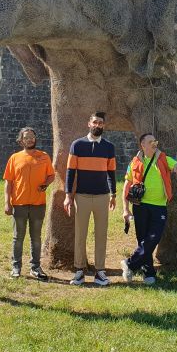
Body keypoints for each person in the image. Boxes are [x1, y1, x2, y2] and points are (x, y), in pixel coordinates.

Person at [121, 133, 177, 285]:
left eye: (155, 141)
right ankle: (148, 272)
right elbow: (127, 184)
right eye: (150, 141)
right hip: (140, 206)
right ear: (142, 145)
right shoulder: (135, 161)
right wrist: (125, 209)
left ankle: (130, 263)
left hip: (159, 207)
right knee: (143, 240)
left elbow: (176, 165)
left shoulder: (163, 158)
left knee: (153, 238)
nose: (154, 143)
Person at [64, 111, 117, 286]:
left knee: (101, 235)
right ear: (89, 124)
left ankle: (100, 272)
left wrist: (113, 194)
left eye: (101, 123)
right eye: (95, 122)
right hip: (82, 196)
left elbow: (111, 173)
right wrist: (68, 196)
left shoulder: (109, 147)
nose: (97, 125)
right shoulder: (77, 145)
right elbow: (70, 172)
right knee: (81, 234)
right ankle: (79, 271)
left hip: (102, 196)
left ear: (104, 126)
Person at [3, 127, 55, 280]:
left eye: (32, 136)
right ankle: (16, 267)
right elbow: (8, 182)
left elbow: (51, 175)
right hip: (19, 204)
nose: (30, 139)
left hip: (38, 204)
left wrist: (45, 184)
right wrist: (7, 203)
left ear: (35, 138)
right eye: (26, 137)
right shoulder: (14, 158)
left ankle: (35, 267)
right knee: (18, 237)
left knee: (36, 237)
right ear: (21, 140)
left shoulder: (44, 156)